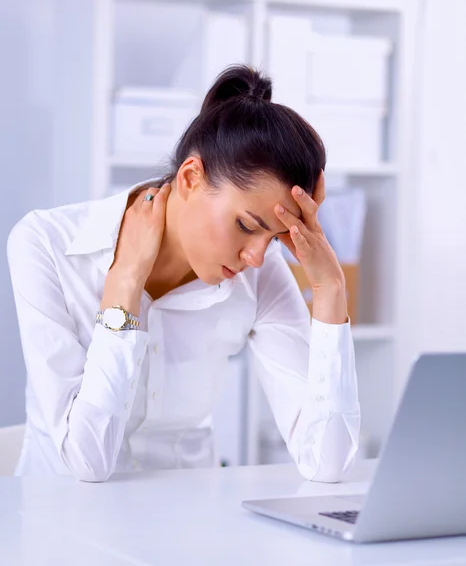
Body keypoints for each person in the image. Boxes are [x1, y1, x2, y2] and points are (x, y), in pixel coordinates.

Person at [7, 65, 360, 483]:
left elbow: (327, 462)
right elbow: (86, 462)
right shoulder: (46, 244)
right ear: (191, 177)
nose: (256, 257)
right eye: (246, 226)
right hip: (60, 528)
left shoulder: (260, 275)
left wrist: (330, 290)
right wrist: (125, 283)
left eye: (277, 236)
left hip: (189, 528)